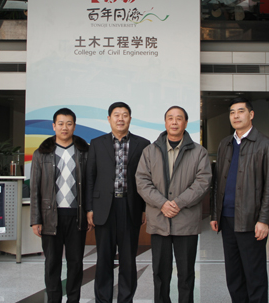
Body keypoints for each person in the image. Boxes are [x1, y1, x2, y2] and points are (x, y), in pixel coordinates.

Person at [136, 106, 212, 303]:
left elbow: (203, 182)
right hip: (159, 220)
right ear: (165, 122)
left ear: (186, 123)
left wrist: (178, 203)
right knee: (160, 273)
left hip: (186, 222)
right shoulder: (150, 151)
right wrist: (162, 204)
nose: (174, 122)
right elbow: (142, 181)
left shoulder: (199, 152)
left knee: (186, 274)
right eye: (170, 118)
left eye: (179, 118)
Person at [210, 97, 269, 303]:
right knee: (233, 275)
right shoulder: (225, 144)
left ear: (251, 114)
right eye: (232, 112)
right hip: (227, 219)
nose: (236, 116)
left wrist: (264, 220)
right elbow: (217, 182)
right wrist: (215, 214)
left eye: (241, 111)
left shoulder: (265, 144)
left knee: (254, 275)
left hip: (251, 220)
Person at [86, 102, 150, 303]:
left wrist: (144, 208)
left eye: (124, 115)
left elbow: (147, 178)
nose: (120, 118)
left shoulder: (143, 144)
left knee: (128, 259)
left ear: (130, 118)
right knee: (104, 258)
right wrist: (89, 208)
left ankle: (126, 299)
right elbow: (90, 177)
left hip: (130, 207)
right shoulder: (97, 143)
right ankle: (102, 299)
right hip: (104, 207)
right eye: (116, 114)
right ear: (109, 119)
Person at [29, 108, 91, 303]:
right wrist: (35, 219)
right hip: (50, 217)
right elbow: (34, 188)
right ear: (54, 126)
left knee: (76, 263)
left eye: (69, 124)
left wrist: (89, 212)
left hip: (76, 216)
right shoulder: (41, 153)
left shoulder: (84, 152)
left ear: (74, 126)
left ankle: (73, 299)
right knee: (52, 263)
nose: (65, 127)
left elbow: (90, 185)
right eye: (61, 124)